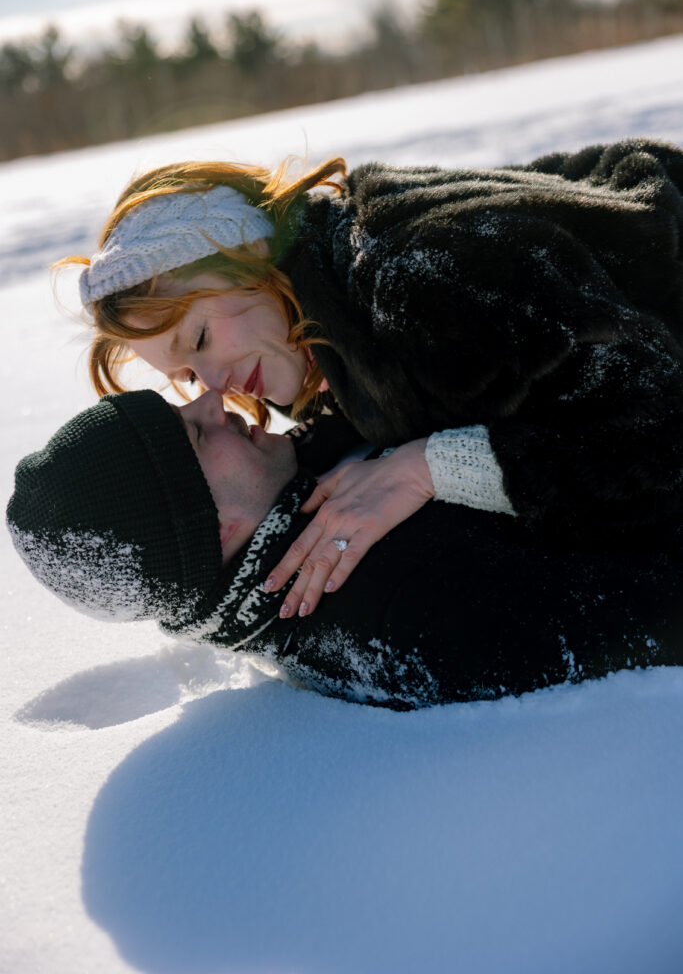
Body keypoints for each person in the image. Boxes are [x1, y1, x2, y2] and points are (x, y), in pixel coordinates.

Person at [59, 138, 683, 622]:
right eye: (189, 377)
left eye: (198, 339)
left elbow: (660, 432)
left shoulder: (420, 280)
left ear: (248, 256)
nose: (220, 388)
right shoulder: (339, 316)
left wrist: (429, 467)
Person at [7, 390, 683, 710]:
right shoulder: (400, 607)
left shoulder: (296, 503)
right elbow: (656, 615)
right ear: (210, 527)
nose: (215, 402)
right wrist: (454, 464)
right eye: (194, 433)